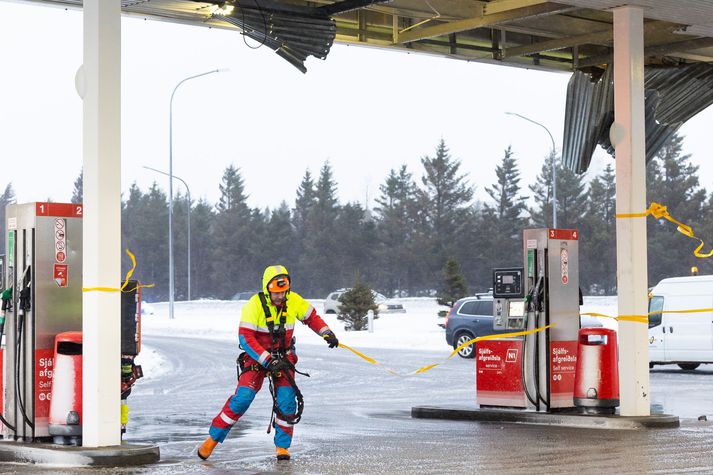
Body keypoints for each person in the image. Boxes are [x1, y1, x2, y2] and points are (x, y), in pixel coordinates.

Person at [198, 264, 339, 461]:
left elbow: (312, 317)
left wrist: (326, 332)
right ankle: (212, 439)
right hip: (257, 358)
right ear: (267, 289)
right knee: (243, 398)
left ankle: (282, 448)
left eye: (283, 292)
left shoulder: (293, 300)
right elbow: (245, 338)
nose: (281, 296)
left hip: (284, 358)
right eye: (276, 293)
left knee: (287, 401)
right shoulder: (253, 306)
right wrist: (267, 359)